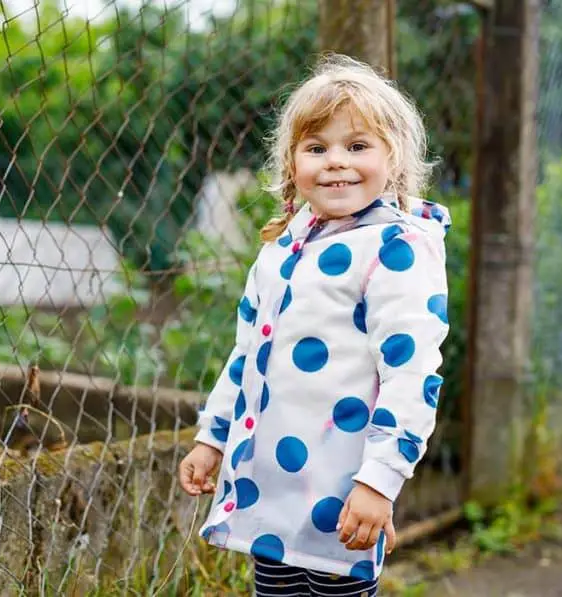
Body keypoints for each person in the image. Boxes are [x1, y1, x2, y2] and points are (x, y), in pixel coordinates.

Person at [177, 53, 452, 597]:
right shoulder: (282, 249)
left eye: (357, 146)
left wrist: (380, 480)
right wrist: (213, 436)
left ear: (393, 159)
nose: (335, 162)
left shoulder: (397, 249)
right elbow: (247, 356)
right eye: (316, 147)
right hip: (272, 493)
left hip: (346, 491)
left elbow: (411, 373)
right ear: (292, 163)